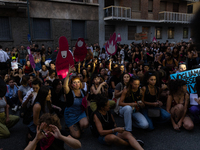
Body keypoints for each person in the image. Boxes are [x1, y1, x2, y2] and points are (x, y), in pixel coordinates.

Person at [63, 65, 89, 138]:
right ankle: (70, 126)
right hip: (71, 115)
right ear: (71, 84)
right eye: (74, 82)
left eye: (78, 82)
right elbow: (65, 86)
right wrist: (68, 74)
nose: (77, 84)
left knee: (86, 124)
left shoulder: (83, 92)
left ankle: (79, 124)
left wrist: (87, 115)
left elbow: (85, 104)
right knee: (77, 136)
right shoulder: (69, 92)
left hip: (80, 113)